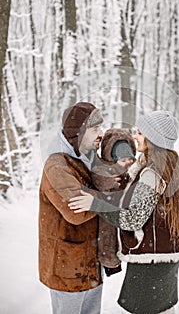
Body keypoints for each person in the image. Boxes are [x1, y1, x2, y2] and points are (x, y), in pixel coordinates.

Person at [68, 110, 179, 314]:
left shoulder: (152, 173)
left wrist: (96, 203)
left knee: (148, 309)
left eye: (141, 133)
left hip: (150, 262)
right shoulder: (172, 164)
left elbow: (133, 219)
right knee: (163, 309)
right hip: (165, 255)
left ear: (153, 139)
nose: (135, 136)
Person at [39, 102, 104, 314]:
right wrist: (108, 198)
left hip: (91, 264)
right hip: (66, 268)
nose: (100, 134)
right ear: (78, 133)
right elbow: (77, 210)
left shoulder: (89, 157)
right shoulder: (57, 165)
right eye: (95, 129)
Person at [91, 128, 136, 277]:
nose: (127, 163)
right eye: (123, 160)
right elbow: (98, 178)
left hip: (124, 215)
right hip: (108, 215)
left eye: (130, 159)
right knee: (108, 236)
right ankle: (110, 261)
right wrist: (110, 180)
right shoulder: (104, 169)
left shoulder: (130, 170)